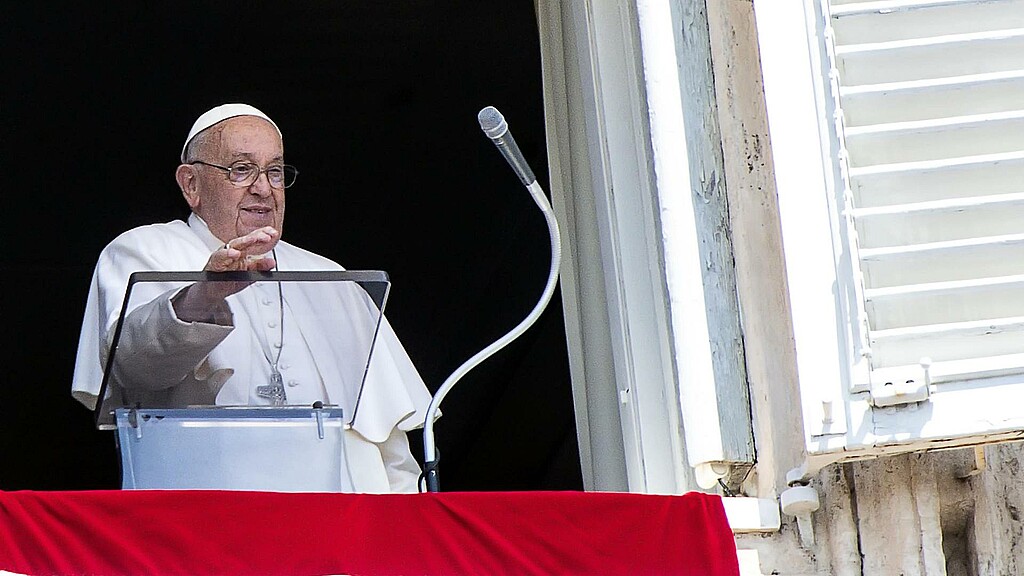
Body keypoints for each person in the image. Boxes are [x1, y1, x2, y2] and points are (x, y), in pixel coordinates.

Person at [71, 103, 431, 493]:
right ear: (191, 184)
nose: (263, 188)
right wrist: (202, 296)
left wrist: (407, 522)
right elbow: (135, 365)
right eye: (241, 169)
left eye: (275, 171)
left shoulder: (333, 278)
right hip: (207, 517)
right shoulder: (144, 250)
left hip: (338, 527)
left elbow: (390, 443)